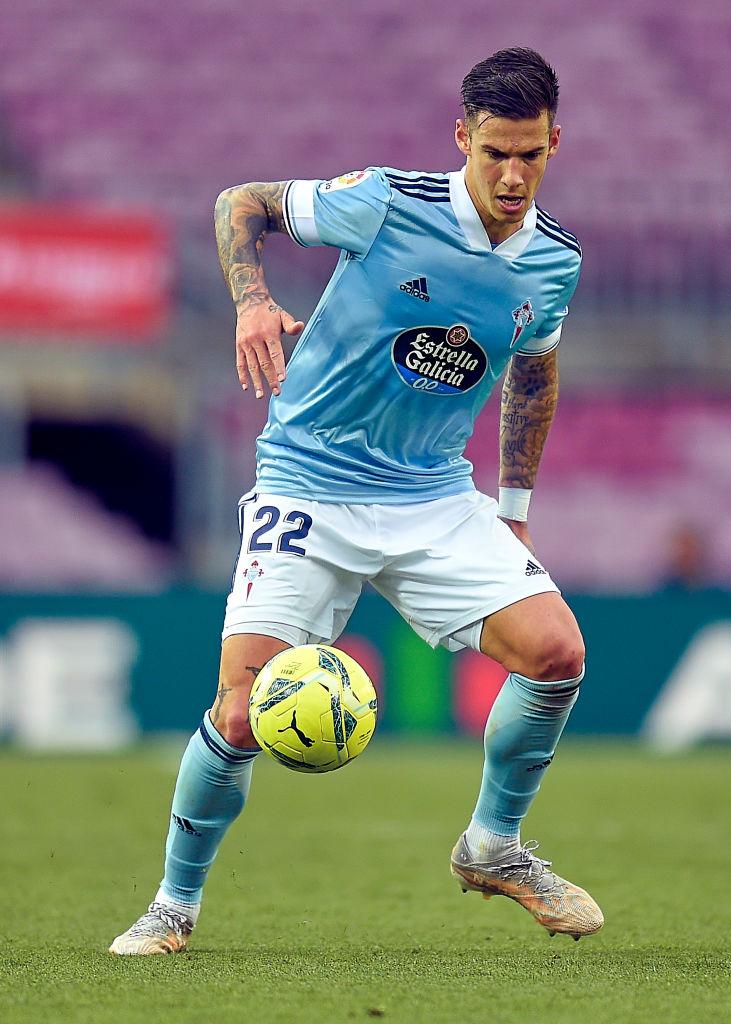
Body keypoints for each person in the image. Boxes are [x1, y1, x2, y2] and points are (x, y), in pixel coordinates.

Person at [110, 46, 603, 955]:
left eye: (530, 155)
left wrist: (514, 507)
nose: (511, 175)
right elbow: (241, 203)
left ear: (554, 145)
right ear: (462, 138)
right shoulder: (386, 202)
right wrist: (252, 301)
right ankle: (173, 906)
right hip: (310, 480)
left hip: (433, 495)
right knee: (240, 710)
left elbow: (534, 373)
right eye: (495, 152)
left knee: (557, 653)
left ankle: (492, 846)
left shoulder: (553, 262)